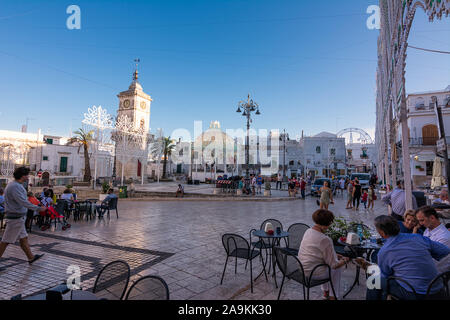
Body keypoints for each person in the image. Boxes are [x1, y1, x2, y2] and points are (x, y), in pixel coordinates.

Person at [364, 215, 449, 300]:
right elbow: (445, 250)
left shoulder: (384, 251)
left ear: (382, 233)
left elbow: (385, 275)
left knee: (374, 279)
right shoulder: (418, 237)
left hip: (415, 295)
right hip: (438, 290)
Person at [298, 209, 350, 300]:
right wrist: (345, 260)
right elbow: (334, 265)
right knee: (336, 268)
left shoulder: (308, 231)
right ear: (328, 224)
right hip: (313, 272)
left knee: (327, 264)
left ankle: (326, 292)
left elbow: (315, 252)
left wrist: (334, 254)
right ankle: (333, 296)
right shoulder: (325, 239)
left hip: (302, 268)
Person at [0, 167, 46, 267]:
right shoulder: (15, 186)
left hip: (18, 218)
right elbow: (23, 202)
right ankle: (31, 257)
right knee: (5, 241)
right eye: (27, 175)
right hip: (15, 218)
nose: (28, 177)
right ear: (22, 176)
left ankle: (31, 257)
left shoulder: (15, 185)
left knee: (23, 239)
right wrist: (38, 208)